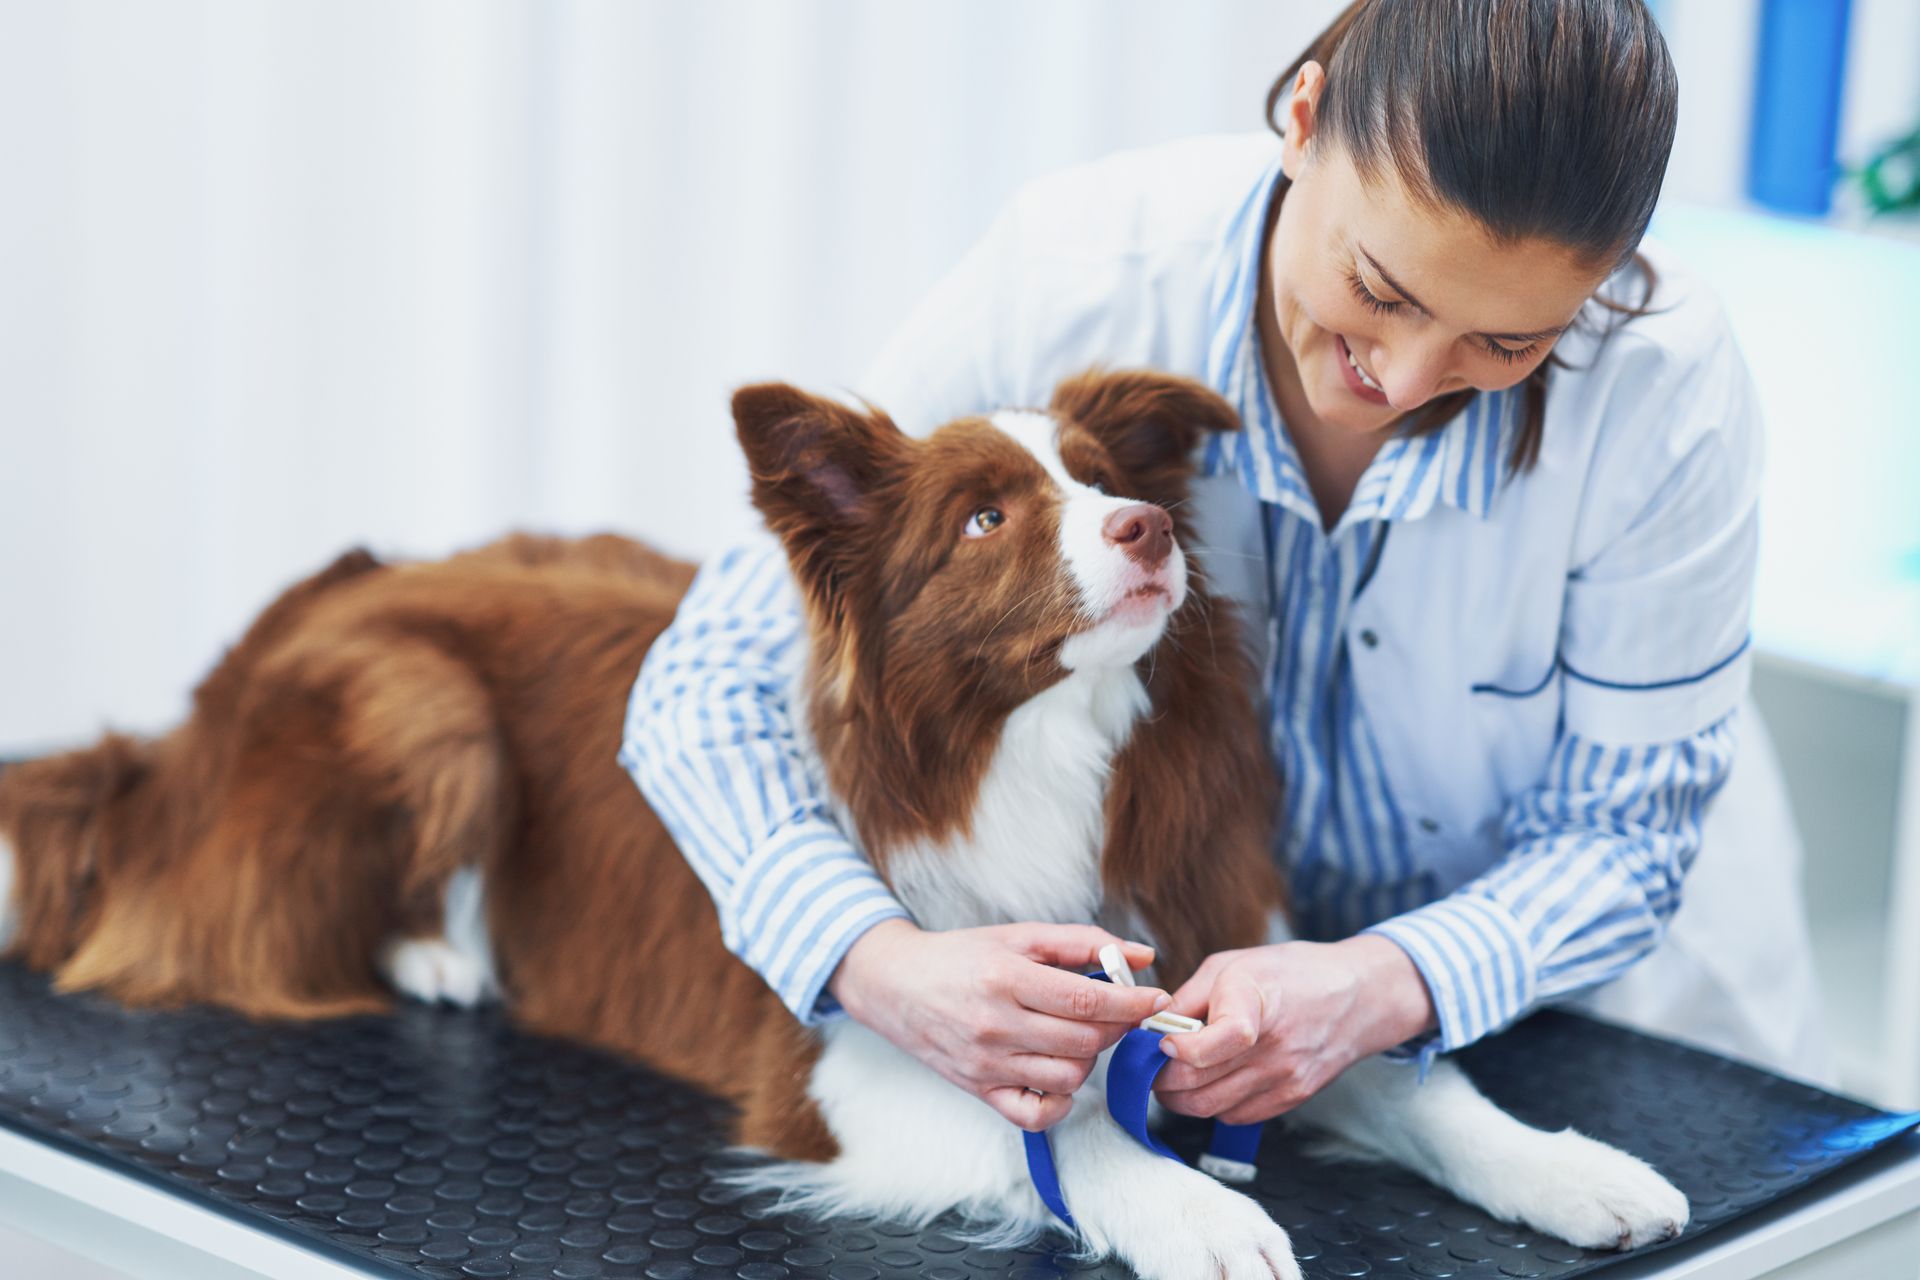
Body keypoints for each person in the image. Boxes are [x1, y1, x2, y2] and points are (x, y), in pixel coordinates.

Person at [622, 0, 1829, 1135]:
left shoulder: (1664, 392)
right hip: (1229, 1001)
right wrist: (877, 959)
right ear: (1303, 121)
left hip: (1609, 1024)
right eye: (1377, 287)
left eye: (1506, 341)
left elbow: (1619, 833)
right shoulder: (1072, 269)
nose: (1404, 383)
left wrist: (1379, 981)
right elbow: (701, 692)